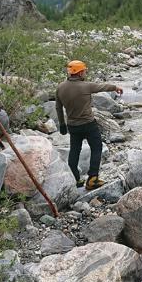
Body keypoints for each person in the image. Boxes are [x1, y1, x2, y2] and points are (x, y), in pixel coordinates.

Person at [55, 60, 123, 190]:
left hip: (72, 126)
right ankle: (92, 179)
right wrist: (116, 87)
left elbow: (58, 107)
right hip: (88, 124)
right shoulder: (86, 86)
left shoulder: (60, 87)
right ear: (79, 73)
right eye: (84, 71)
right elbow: (103, 87)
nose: (85, 73)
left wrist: (62, 124)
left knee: (74, 150)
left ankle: (76, 178)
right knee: (96, 148)